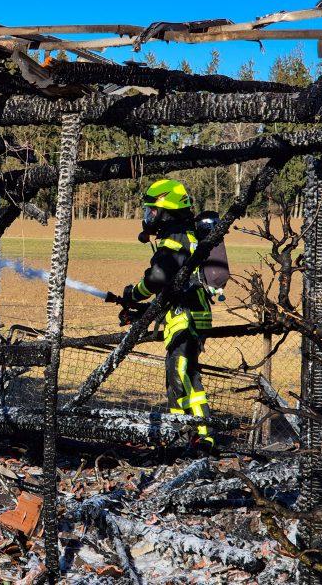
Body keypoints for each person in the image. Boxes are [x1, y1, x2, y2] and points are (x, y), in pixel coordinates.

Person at [121, 178, 215, 452]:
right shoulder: (181, 235)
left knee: (180, 374)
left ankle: (195, 436)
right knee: (183, 377)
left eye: (152, 210)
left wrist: (133, 293)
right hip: (187, 313)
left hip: (187, 316)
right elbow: (172, 287)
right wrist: (142, 311)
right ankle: (191, 435)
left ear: (167, 211)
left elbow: (158, 277)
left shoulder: (175, 238)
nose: (148, 216)